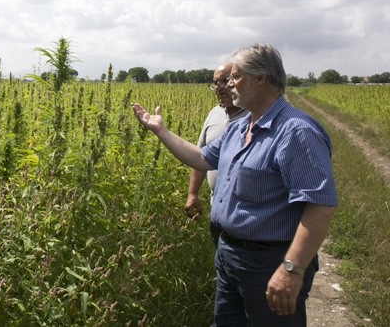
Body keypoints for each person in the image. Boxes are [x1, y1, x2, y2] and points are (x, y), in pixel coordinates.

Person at [132, 43, 338, 326]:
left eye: (235, 77)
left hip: (269, 261)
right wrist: (161, 131)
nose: (228, 85)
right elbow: (202, 158)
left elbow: (320, 208)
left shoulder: (297, 133)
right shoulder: (241, 127)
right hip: (230, 256)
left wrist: (291, 270)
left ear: (261, 78)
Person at [186, 63, 249, 247]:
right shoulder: (215, 113)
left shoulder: (255, 116)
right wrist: (192, 193)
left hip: (247, 220)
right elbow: (201, 155)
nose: (219, 88)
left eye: (224, 81)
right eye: (215, 83)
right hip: (218, 212)